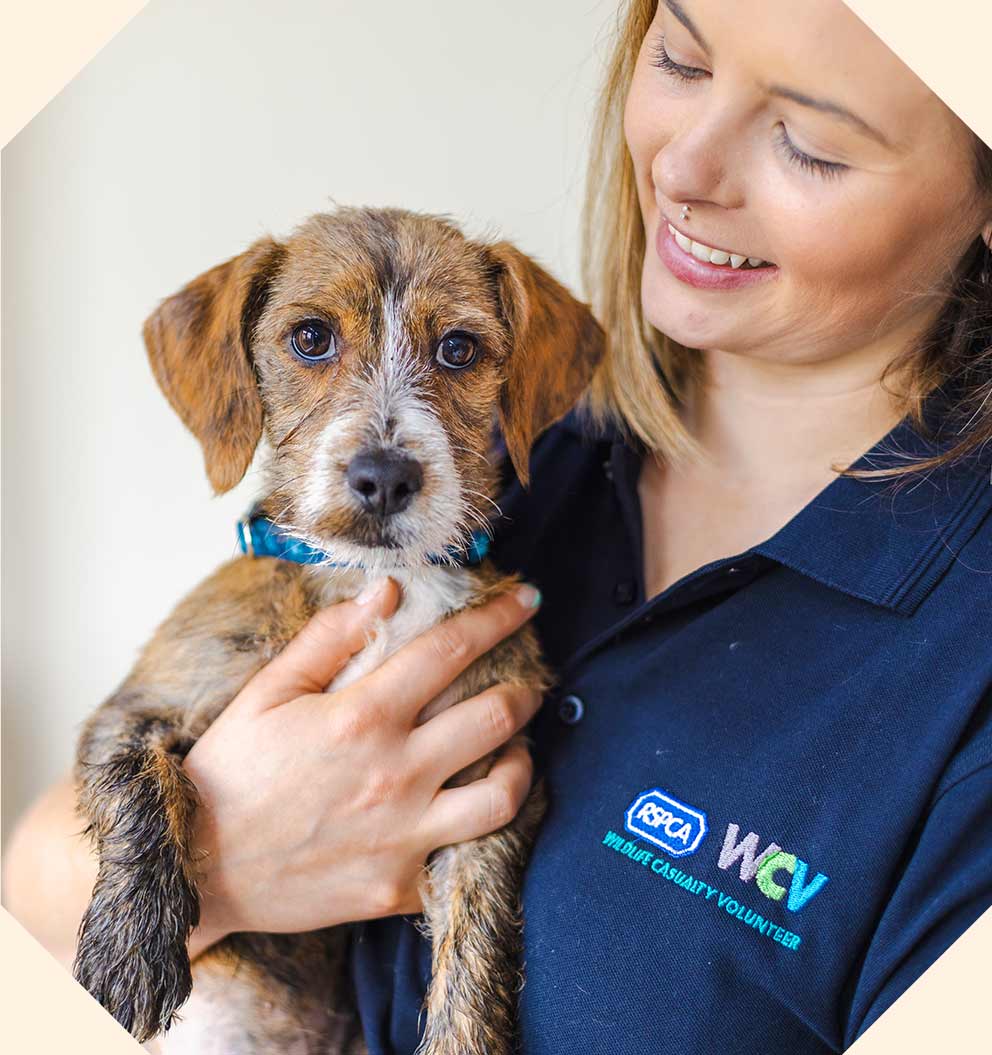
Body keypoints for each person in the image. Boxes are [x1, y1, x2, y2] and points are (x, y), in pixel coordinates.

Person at [5, 0, 992, 1052]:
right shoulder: (534, 461)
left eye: (811, 141)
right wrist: (227, 861)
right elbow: (35, 888)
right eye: (681, 60)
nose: (685, 167)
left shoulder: (959, 673)